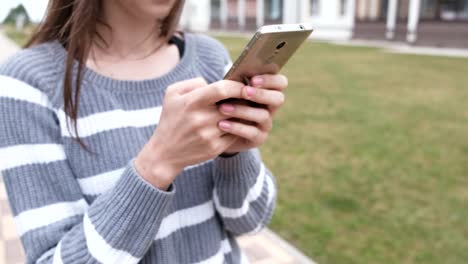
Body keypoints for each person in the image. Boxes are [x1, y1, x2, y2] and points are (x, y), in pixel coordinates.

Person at [0, 0, 287, 263]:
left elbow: (250, 221)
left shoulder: (210, 58)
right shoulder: (27, 84)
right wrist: (158, 163)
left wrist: (234, 153)